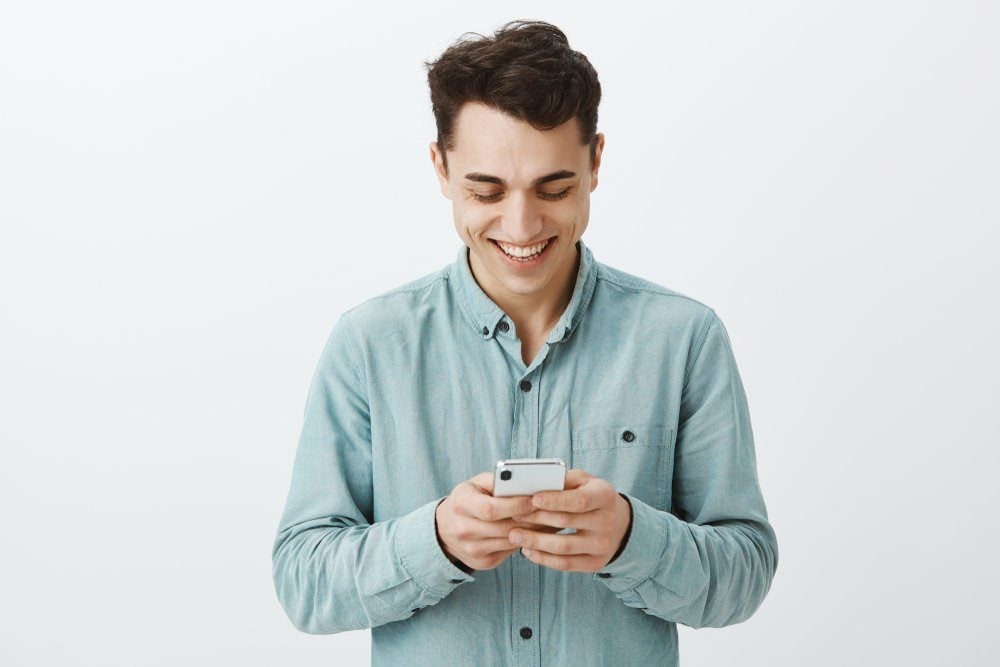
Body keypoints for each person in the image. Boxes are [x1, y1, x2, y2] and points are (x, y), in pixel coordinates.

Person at [271, 19, 778, 665]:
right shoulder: (370, 343)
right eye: (486, 189)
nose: (522, 225)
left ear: (596, 161)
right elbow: (303, 583)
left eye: (554, 187)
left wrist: (631, 538)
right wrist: (436, 541)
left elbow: (744, 577)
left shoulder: (682, 338)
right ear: (440, 166)